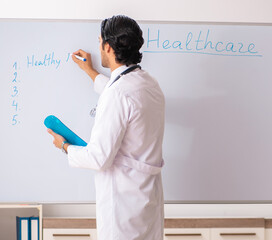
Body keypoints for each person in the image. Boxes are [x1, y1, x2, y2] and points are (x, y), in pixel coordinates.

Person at [47, 15, 165, 240]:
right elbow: (123, 96)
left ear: (108, 47)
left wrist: (64, 146)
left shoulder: (118, 93)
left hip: (122, 209)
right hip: (146, 203)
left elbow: (98, 158)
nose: (98, 46)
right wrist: (89, 71)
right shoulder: (149, 83)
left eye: (100, 41)